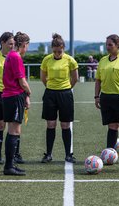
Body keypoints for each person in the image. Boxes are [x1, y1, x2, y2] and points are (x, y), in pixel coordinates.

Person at [94, 34, 119, 165]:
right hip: (106, 97)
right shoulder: (103, 60)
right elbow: (98, 80)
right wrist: (96, 96)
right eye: (106, 44)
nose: (107, 47)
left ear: (118, 45)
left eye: (110, 45)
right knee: (111, 126)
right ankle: (109, 153)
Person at [40, 33, 79, 164]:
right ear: (52, 49)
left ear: (64, 48)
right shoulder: (46, 60)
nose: (57, 54)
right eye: (55, 51)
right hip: (50, 94)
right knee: (51, 124)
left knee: (65, 125)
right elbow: (43, 77)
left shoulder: (70, 60)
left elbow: (75, 78)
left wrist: (66, 88)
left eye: (60, 51)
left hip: (65, 94)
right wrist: (51, 87)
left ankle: (68, 154)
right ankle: (48, 154)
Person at [0, 32, 23, 164]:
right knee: (0, 125)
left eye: (14, 44)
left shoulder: (15, 56)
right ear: (2, 43)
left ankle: (16, 154)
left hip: (13, 94)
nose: (12, 46)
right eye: (10, 44)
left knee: (14, 125)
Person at [2, 32, 31, 176]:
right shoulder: (16, 56)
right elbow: (22, 81)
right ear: (23, 45)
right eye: (27, 46)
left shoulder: (10, 56)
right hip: (13, 97)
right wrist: (29, 92)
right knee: (13, 131)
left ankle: (11, 164)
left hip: (11, 96)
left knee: (15, 130)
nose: (27, 49)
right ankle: (9, 166)